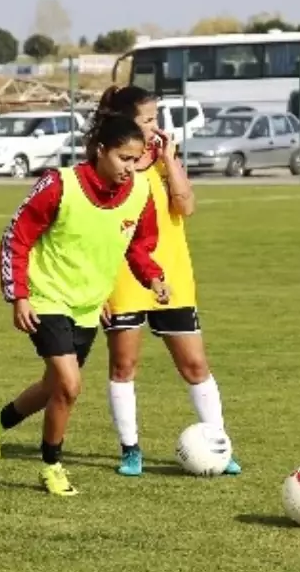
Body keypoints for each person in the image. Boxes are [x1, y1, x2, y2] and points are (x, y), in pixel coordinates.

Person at [0, 114, 169, 496]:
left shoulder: (140, 193)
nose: (130, 168)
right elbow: (15, 238)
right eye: (123, 158)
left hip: (88, 305)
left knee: (55, 387)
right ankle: (51, 465)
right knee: (70, 383)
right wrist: (18, 295)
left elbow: (138, 245)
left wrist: (152, 276)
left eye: (136, 160)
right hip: (46, 297)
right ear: (101, 150)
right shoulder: (58, 184)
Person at [96, 86, 242, 477]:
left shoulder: (164, 161)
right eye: (148, 119)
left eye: (156, 118)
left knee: (195, 365)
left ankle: (219, 445)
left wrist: (171, 161)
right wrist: (98, 290)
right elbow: (95, 230)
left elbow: (186, 206)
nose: (155, 126)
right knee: (124, 365)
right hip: (123, 279)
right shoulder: (111, 163)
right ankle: (130, 450)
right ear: (128, 123)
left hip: (172, 276)